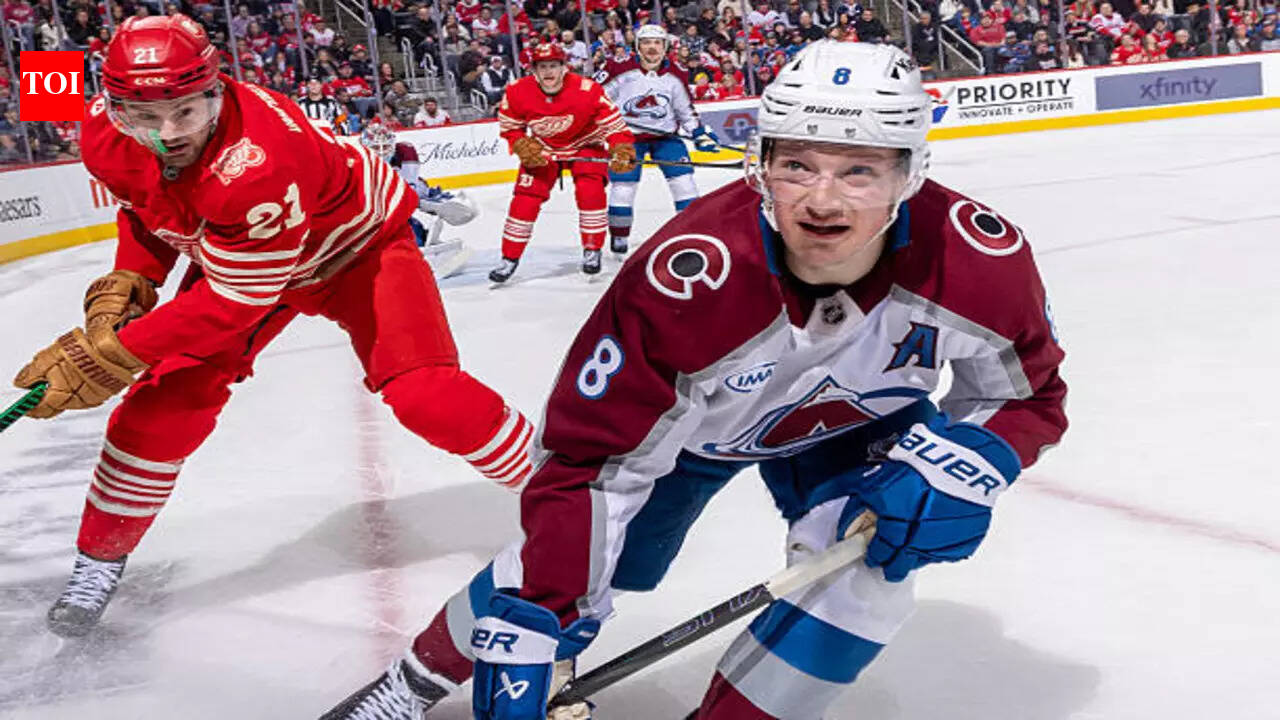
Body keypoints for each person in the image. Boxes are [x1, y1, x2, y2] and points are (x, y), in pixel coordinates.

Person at [320, 41, 1068, 720]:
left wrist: (971, 462)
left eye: (861, 170)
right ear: (761, 162)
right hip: (692, 438)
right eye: (797, 164)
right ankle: (414, 682)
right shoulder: (687, 278)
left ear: (912, 173)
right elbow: (592, 466)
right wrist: (540, 608)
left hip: (862, 428)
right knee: (571, 564)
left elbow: (1025, 393)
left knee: (866, 580)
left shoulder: (978, 261)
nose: (823, 200)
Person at [11, 14, 537, 639]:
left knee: (427, 394)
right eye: (144, 117)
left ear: (217, 89)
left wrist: (112, 352)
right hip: (251, 261)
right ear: (110, 104)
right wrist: (129, 284)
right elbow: (148, 210)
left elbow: (237, 299)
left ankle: (568, 489)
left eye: (186, 111)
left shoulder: (256, 160)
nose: (167, 134)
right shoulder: (103, 132)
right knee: (162, 404)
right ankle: (98, 559)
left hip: (355, 252)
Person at [488, 43, 637, 283]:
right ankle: (509, 258)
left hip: (586, 145)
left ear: (564, 67)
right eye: (542, 66)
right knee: (524, 201)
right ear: (533, 70)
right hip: (544, 149)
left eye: (554, 66)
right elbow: (510, 127)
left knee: (591, 193)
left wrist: (621, 148)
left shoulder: (588, 90)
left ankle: (592, 250)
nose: (548, 72)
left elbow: (615, 126)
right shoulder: (516, 91)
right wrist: (521, 145)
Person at [597, 24, 719, 258]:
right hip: (627, 139)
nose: (652, 48)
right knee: (623, 188)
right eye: (646, 42)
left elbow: (685, 110)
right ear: (637, 47)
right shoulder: (617, 68)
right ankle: (619, 236)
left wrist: (698, 133)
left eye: (657, 43)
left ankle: (690, 232)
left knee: (684, 183)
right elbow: (596, 98)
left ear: (665, 47)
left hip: (666, 138)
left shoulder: (676, 73)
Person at [361, 123, 477, 279]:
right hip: (368, 217)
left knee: (412, 229)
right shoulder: (356, 162)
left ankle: (423, 243)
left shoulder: (404, 153)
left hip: (396, 208)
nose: (381, 152)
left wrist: (428, 199)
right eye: (376, 148)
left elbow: (411, 186)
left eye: (386, 146)